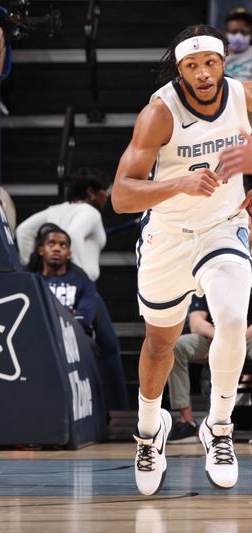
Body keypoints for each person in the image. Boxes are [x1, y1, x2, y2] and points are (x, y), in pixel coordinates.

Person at [112, 25, 252, 495]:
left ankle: (219, 427)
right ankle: (151, 431)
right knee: (159, 345)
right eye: (192, 66)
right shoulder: (159, 114)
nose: (203, 73)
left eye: (210, 62)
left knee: (232, 319)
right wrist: (178, 184)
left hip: (222, 226)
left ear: (223, 62)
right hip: (168, 235)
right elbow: (121, 196)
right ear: (180, 70)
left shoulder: (244, 96)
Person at [28, 224, 128, 412]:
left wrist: (48, 315)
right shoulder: (32, 282)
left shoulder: (83, 283)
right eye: (52, 244)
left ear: (69, 253)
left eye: (63, 245)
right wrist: (68, 312)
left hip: (75, 339)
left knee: (88, 344)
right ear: (41, 250)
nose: (57, 248)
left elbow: (84, 319)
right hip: (39, 338)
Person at [167, 292, 252, 443]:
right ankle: (188, 424)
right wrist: (221, 339)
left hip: (246, 337)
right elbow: (196, 323)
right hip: (214, 338)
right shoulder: (206, 278)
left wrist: (232, 341)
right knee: (176, 347)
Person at [16, 174, 109, 281]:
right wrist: (75, 278)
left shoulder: (55, 209)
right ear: (91, 192)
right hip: (76, 286)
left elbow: (23, 231)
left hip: (51, 281)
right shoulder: (91, 213)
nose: (107, 195)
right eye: (104, 190)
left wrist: (32, 269)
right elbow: (73, 235)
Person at [225, 8, 252, 81]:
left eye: (243, 32)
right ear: (226, 33)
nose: (238, 37)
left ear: (250, 34)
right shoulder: (217, 55)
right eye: (234, 32)